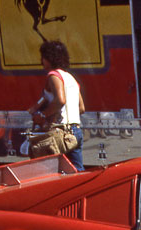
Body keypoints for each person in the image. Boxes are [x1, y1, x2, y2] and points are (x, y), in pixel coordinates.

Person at [27, 40, 86, 171]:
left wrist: (43, 115)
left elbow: (60, 100)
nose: (41, 60)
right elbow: (81, 108)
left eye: (43, 57)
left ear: (49, 58)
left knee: (54, 173)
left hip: (61, 133)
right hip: (76, 132)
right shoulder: (71, 78)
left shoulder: (53, 76)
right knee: (77, 171)